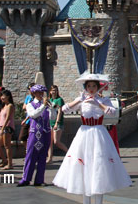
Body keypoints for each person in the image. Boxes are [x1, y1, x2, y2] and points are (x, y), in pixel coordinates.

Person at [53, 73, 131, 204]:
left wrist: (97, 103)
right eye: (88, 86)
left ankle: (99, 201)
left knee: (99, 166)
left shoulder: (103, 100)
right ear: (85, 87)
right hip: (84, 133)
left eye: (93, 86)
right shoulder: (82, 100)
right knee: (83, 166)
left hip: (98, 133)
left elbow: (113, 112)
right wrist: (79, 100)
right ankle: (86, 201)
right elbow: (64, 109)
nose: (91, 88)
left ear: (98, 87)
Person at [18, 84, 51, 187]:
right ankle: (26, 178)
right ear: (34, 93)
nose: (41, 94)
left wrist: (53, 109)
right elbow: (33, 115)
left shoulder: (46, 105)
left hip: (45, 132)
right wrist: (43, 106)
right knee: (31, 155)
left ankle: (39, 179)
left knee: (42, 157)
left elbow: (52, 117)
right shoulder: (30, 104)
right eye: (38, 93)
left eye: (42, 93)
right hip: (35, 133)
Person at [47, 85, 68, 163]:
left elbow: (60, 112)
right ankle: (49, 158)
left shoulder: (59, 100)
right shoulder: (50, 100)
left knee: (56, 141)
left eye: (55, 90)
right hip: (50, 122)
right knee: (50, 141)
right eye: (53, 90)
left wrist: (57, 122)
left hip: (57, 123)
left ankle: (69, 153)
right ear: (50, 91)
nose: (54, 92)